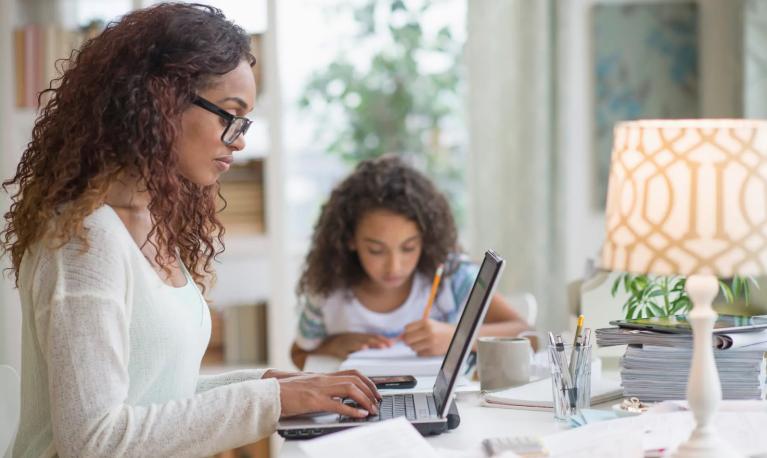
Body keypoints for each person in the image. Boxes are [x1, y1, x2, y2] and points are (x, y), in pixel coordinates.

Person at [2, 4, 380, 457]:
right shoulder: (85, 240)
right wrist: (270, 401)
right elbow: (94, 442)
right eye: (229, 114)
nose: (240, 139)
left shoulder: (148, 221)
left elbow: (156, 394)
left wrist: (267, 384)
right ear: (162, 102)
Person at [290, 155, 530, 369]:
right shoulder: (327, 290)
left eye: (408, 248)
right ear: (350, 239)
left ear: (426, 239)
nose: (395, 266)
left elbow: (526, 332)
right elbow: (299, 353)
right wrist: (335, 344)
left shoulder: (451, 277)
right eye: (376, 250)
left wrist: (458, 338)